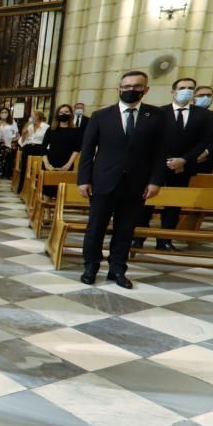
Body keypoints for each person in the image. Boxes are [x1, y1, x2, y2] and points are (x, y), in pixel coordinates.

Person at [78, 70, 169, 289]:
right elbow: (87, 150)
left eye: (137, 86)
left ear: (145, 90)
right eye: (127, 86)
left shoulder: (156, 116)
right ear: (118, 89)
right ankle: (90, 268)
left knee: (126, 229)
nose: (131, 90)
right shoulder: (101, 116)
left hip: (137, 183)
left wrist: (156, 181)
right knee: (95, 228)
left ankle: (117, 270)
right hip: (103, 181)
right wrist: (83, 179)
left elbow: (160, 152)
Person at [135, 77, 211, 251]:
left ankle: (165, 240)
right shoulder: (160, 112)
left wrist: (184, 160)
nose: (187, 91)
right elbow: (153, 140)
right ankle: (139, 237)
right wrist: (167, 160)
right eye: (182, 87)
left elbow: (203, 141)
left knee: (173, 205)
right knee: (147, 202)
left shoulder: (202, 114)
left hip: (184, 166)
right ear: (173, 91)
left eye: (190, 88)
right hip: (157, 165)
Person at [40, 104, 81, 197]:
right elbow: (43, 147)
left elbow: (77, 149)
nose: (64, 114)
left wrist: (69, 164)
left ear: (71, 114)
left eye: (66, 112)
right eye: (61, 112)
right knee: (48, 190)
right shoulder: (51, 129)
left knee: (62, 191)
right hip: (51, 162)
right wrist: (46, 163)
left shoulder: (76, 131)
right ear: (57, 114)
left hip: (66, 162)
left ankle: (58, 211)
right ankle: (47, 211)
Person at [16, 110, 49, 193]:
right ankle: (22, 189)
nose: (30, 118)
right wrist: (23, 134)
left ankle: (35, 190)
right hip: (28, 148)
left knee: (36, 170)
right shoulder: (29, 126)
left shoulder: (46, 127)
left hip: (39, 149)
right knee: (25, 168)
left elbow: (48, 141)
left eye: (32, 116)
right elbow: (21, 142)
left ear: (38, 117)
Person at [0, 107, 19, 180]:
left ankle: (8, 175)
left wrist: (12, 141)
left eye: (5, 112)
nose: (4, 114)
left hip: (9, 144)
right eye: (2, 112)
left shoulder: (12, 122)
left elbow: (17, 135)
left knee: (9, 160)